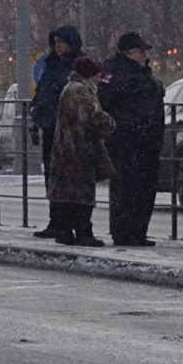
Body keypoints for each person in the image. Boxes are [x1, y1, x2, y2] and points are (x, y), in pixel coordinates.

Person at [97, 31, 163, 247]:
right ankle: (124, 231)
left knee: (144, 188)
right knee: (127, 188)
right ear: (129, 53)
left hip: (147, 139)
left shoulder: (142, 72)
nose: (144, 55)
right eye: (140, 51)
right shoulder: (117, 72)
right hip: (127, 139)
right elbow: (107, 97)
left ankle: (138, 231)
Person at [47, 56, 114, 247]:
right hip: (79, 149)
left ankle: (66, 230)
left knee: (68, 193)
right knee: (81, 193)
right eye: (97, 76)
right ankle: (83, 232)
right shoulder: (81, 91)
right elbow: (92, 117)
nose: (99, 80)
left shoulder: (71, 88)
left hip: (68, 148)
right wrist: (110, 123)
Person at [28, 25, 84, 239]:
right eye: (56, 43)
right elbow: (43, 89)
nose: (58, 47)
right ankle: (56, 219)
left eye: (62, 43)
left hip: (68, 129)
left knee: (67, 177)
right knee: (52, 175)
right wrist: (37, 108)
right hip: (51, 125)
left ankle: (68, 221)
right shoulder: (52, 64)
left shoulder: (77, 65)